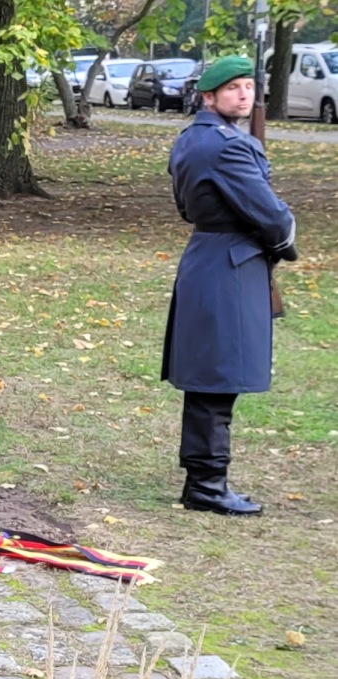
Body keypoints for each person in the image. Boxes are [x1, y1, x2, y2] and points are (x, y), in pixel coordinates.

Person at [162, 55, 297, 516]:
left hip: (208, 258)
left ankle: (204, 480)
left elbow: (186, 207)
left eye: (249, 87)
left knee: (209, 379)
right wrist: (284, 238)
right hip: (230, 265)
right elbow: (272, 216)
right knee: (217, 379)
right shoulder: (227, 146)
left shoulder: (191, 139)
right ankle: (206, 486)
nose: (244, 95)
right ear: (209, 96)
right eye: (234, 88)